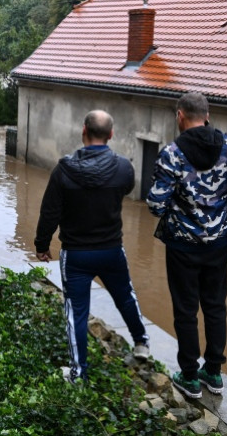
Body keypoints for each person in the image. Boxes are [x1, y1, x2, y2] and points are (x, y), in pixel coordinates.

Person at [35, 110, 150, 383]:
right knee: (125, 295)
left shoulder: (64, 170)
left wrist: (42, 244)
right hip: (111, 250)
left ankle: (79, 375)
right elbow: (124, 190)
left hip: (76, 254)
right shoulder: (124, 168)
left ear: (83, 131)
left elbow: (49, 212)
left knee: (76, 312)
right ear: (111, 135)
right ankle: (141, 343)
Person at [146, 92, 227, 399]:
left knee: (186, 309)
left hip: (183, 245)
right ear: (207, 116)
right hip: (219, 243)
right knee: (215, 306)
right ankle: (213, 373)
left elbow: (156, 204)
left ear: (180, 116)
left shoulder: (172, 153)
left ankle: (189, 376)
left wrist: (179, 210)